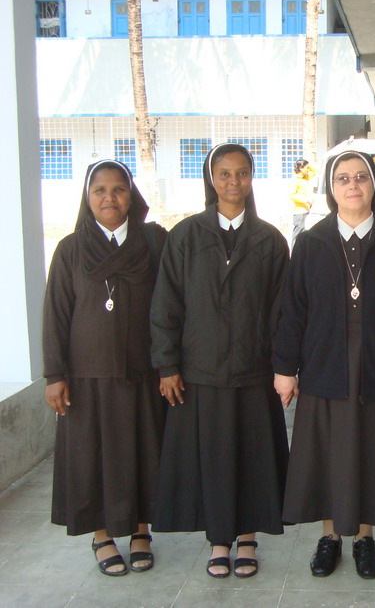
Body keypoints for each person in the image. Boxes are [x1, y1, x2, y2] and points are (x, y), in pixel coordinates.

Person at [274, 150, 375, 580]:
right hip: (325, 363)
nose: (352, 185)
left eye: (360, 177)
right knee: (328, 454)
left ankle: (364, 538)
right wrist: (285, 368)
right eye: (342, 178)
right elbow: (292, 310)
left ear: (373, 185)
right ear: (331, 188)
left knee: (371, 452)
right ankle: (330, 536)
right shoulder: (311, 243)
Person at [150, 143, 290, 579]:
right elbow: (166, 305)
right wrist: (168, 365)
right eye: (224, 174)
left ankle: (247, 537)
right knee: (212, 460)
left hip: (253, 372)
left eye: (242, 173)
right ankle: (218, 540)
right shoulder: (185, 236)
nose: (233, 182)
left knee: (251, 458)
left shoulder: (269, 240)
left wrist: (283, 368)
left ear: (252, 177)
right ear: (212, 179)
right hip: (201, 372)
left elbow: (282, 311)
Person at [44, 160, 167, 576]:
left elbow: (171, 304)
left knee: (142, 453)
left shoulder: (153, 243)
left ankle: (140, 530)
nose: (109, 198)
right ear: (87, 197)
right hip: (86, 376)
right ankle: (101, 535)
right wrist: (54, 375)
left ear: (131, 196)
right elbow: (56, 314)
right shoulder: (70, 249)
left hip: (142, 372)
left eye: (118, 189)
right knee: (92, 458)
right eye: (100, 190)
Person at [289, 158, 317, 243]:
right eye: (306, 168)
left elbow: (315, 171)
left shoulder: (305, 178)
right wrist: (305, 200)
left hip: (306, 209)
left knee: (304, 234)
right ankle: (294, 250)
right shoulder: (295, 180)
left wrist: (309, 165)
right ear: (301, 168)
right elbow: (291, 195)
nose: (308, 170)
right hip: (300, 211)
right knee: (298, 233)